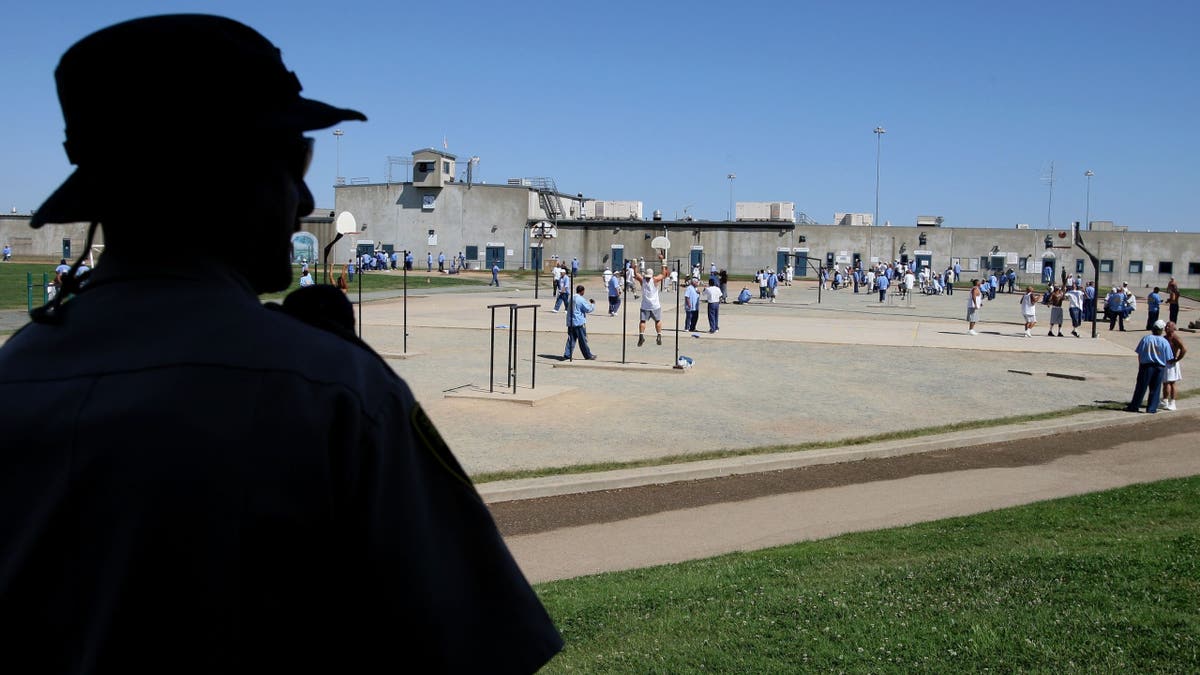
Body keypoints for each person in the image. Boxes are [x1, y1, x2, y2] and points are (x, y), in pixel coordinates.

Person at [0, 15, 561, 673]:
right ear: (218, 174)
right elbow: (483, 646)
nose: (303, 200)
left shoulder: (15, 378)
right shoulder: (330, 393)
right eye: (292, 165)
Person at [1125, 320, 1174, 414]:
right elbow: (1168, 357)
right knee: (1155, 388)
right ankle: (1151, 408)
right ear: (1161, 330)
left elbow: (1140, 352)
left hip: (1146, 365)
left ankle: (1134, 405)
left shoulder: (1146, 339)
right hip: (1159, 367)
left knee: (1141, 387)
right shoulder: (1164, 342)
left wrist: (1141, 364)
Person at [635, 253, 668, 346]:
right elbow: (663, 274)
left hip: (645, 305)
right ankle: (659, 334)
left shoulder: (643, 280)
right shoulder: (655, 280)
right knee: (658, 320)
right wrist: (663, 262)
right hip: (655, 305)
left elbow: (636, 274)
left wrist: (635, 266)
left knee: (642, 321)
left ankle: (641, 335)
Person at [562, 284, 596, 360]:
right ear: (582, 291)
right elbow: (588, 309)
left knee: (571, 339)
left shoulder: (572, 298)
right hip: (578, 322)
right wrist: (593, 304)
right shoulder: (581, 299)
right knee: (583, 341)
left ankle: (567, 354)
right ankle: (588, 355)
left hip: (571, 322)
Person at [1161, 321, 1186, 411]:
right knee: (1165, 382)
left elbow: (1184, 349)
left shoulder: (1175, 338)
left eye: (1169, 326)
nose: (1167, 328)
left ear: (1173, 328)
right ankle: (1165, 401)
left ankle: (1172, 402)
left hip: (1172, 363)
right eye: (1166, 326)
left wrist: (1177, 359)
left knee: (1171, 382)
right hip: (1165, 362)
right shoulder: (1165, 337)